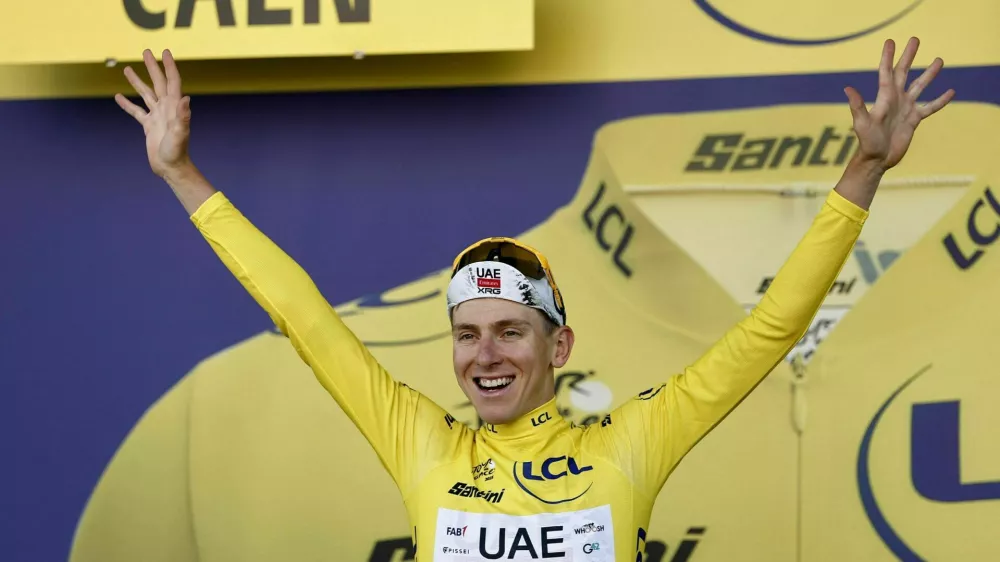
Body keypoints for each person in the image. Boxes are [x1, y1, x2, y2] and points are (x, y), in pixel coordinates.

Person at [115, 37, 953, 561]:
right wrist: (182, 174)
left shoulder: (631, 442)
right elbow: (303, 316)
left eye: (511, 331)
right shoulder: (423, 445)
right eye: (467, 334)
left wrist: (866, 169)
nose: (484, 355)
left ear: (559, 346)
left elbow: (771, 328)